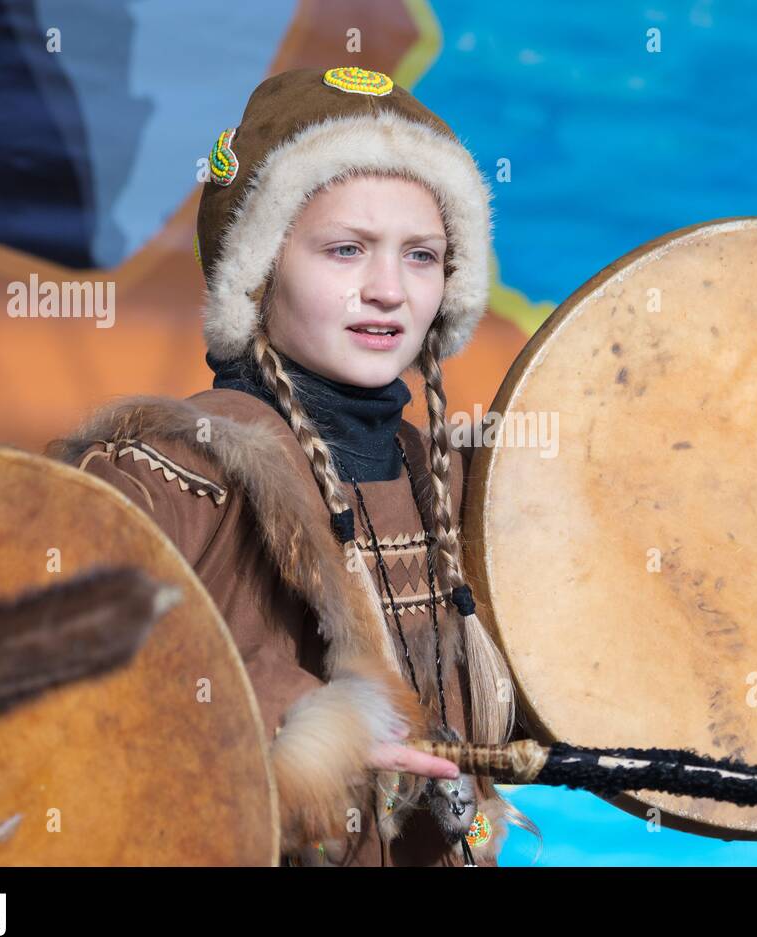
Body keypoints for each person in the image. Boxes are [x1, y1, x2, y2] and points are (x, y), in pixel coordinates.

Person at [46, 66, 539, 866]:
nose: (388, 290)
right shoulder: (174, 466)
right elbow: (54, 657)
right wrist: (297, 717)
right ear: (259, 269)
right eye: (346, 250)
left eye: (422, 256)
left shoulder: (446, 482)